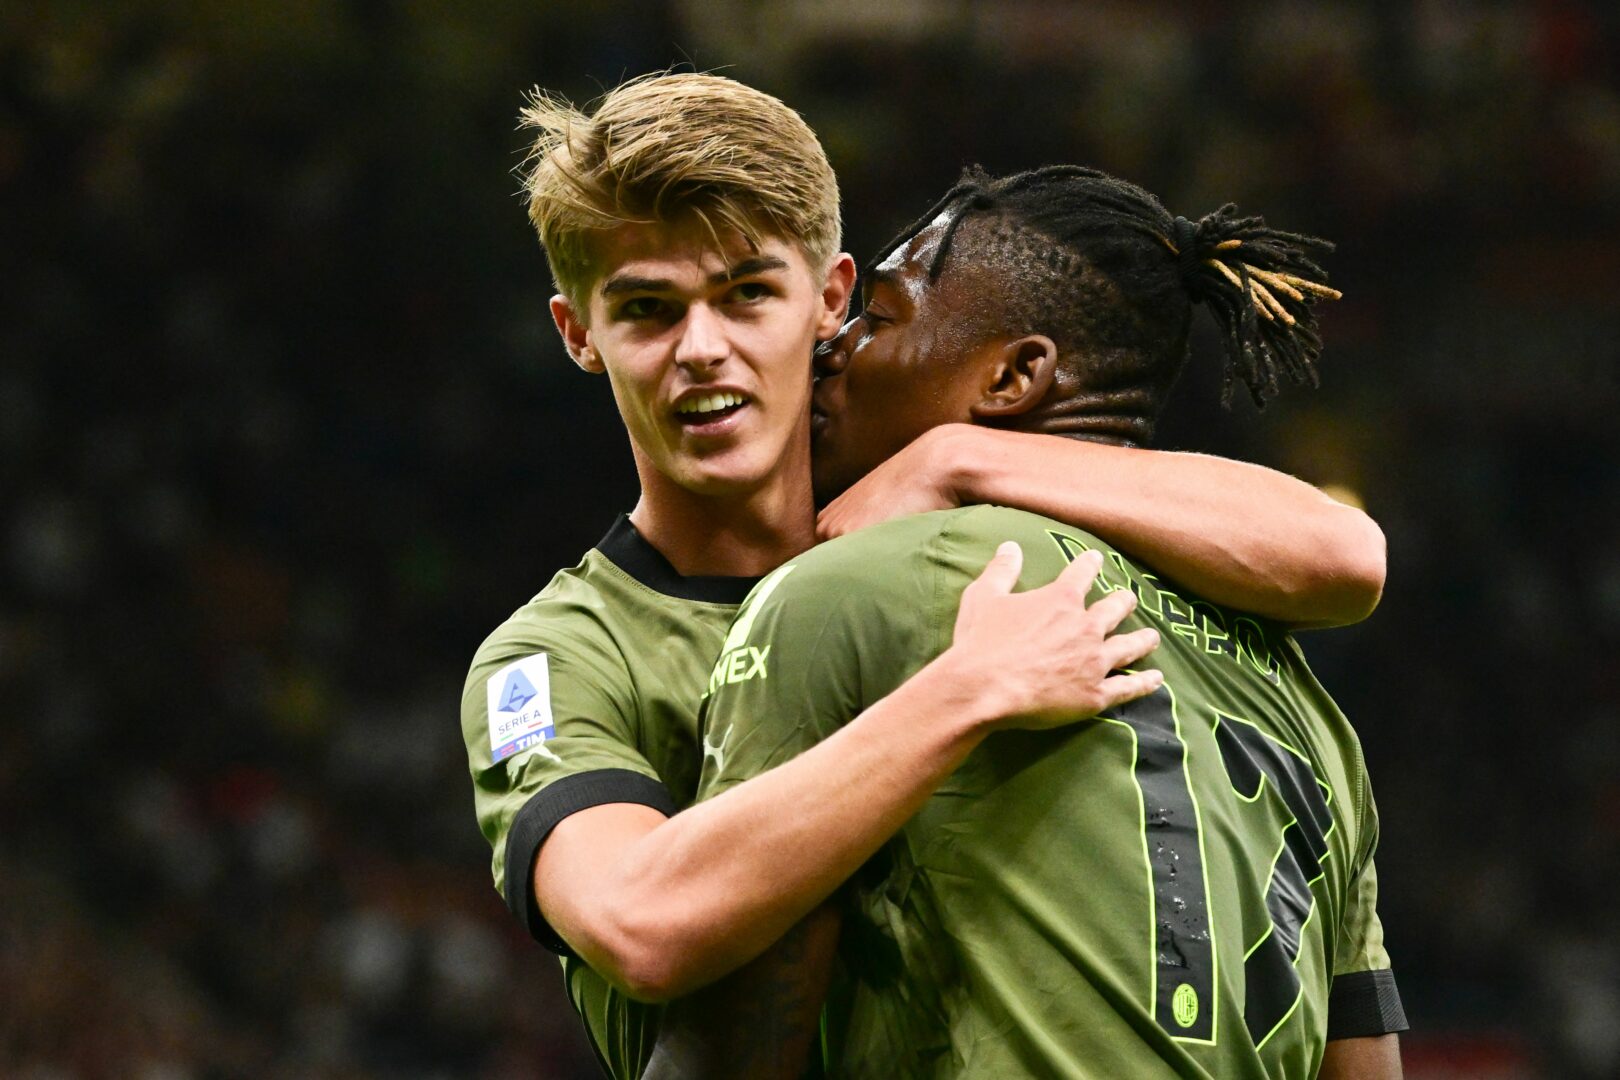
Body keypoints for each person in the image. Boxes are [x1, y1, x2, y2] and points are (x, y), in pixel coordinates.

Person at [461, 74, 1387, 1079]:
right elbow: (637, 922)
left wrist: (960, 456)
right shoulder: (558, 657)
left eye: (748, 294)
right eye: (647, 310)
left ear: (828, 298)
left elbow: (1343, 551)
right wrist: (966, 691)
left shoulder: (975, 551)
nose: (703, 349)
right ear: (578, 334)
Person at [663, 165, 1407, 1079]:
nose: (831, 347)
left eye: (877, 319)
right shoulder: (1301, 702)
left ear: (1014, 376)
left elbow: (732, 1046)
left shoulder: (853, 590)